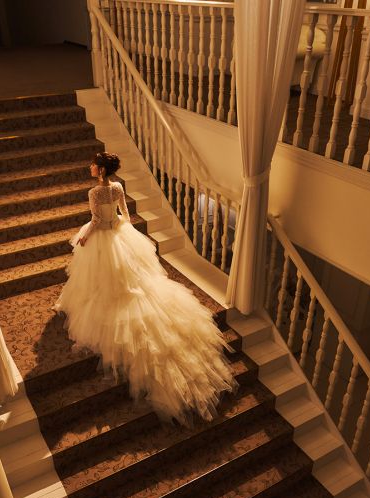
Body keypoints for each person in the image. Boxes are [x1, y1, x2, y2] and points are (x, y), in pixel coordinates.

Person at [54, 152, 236, 426]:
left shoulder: (94, 192)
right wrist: (123, 233)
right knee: (135, 280)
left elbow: (96, 220)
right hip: (120, 233)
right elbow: (125, 214)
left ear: (101, 170)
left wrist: (86, 236)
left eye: (93, 164)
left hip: (103, 235)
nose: (90, 166)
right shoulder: (118, 187)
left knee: (101, 280)